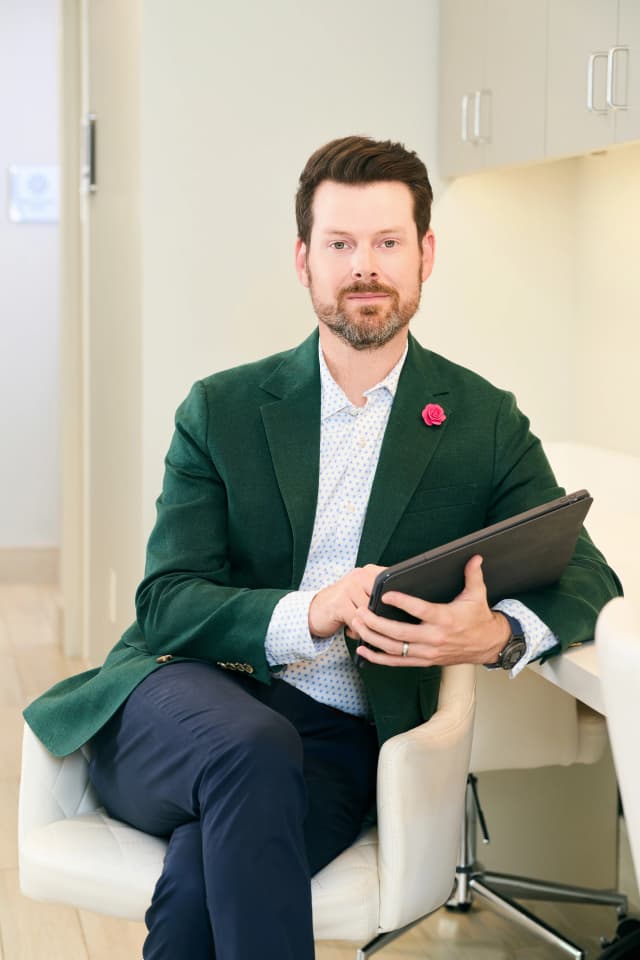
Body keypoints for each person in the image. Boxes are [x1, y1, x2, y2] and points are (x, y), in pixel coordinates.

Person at [24, 135, 621, 960]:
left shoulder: (481, 422)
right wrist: (312, 611)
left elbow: (587, 573)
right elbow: (166, 602)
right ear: (303, 260)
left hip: (336, 740)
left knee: (200, 889)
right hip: (179, 699)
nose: (364, 266)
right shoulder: (222, 409)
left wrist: (496, 635)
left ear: (426, 255)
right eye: (340, 244)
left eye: (387, 242)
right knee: (252, 747)